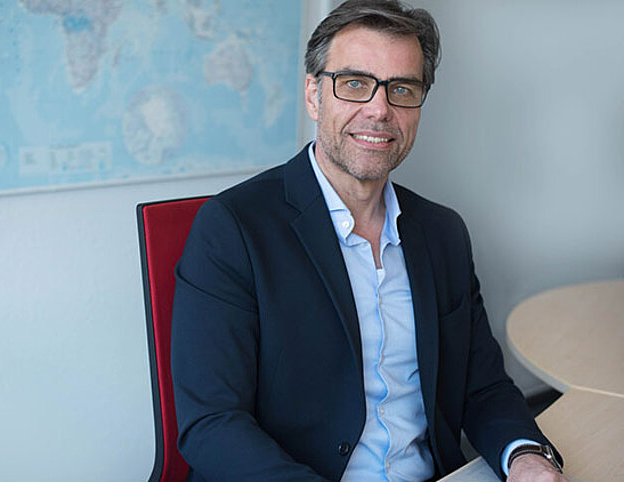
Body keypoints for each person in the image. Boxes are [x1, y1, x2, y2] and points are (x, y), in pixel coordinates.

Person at [171, 1, 567, 480]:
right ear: (314, 95)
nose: (380, 110)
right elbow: (213, 424)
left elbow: (481, 387)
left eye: (402, 89)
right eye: (355, 83)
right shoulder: (232, 229)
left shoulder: (443, 233)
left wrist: (526, 458)